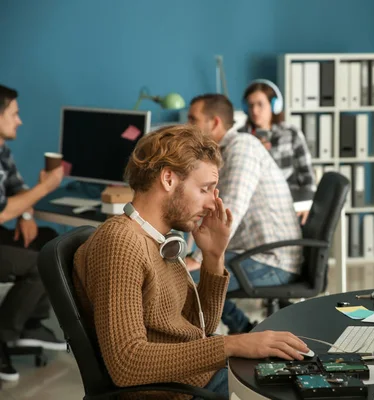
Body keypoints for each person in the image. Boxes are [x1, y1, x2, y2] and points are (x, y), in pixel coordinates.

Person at [72, 125, 309, 398]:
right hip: (180, 392)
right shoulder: (120, 243)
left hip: (198, 380)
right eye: (205, 189)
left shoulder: (162, 240)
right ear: (169, 179)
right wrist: (233, 345)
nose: (212, 203)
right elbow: (127, 363)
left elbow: (200, 329)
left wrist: (213, 256)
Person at [187, 94, 303, 334]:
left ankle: (199, 358)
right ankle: (244, 331)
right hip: (248, 253)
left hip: (271, 260)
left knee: (185, 283)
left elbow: (230, 211)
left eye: (193, 119)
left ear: (215, 123)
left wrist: (197, 259)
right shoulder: (221, 153)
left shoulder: (242, 148)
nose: (187, 126)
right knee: (183, 273)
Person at [0, 84, 66, 382]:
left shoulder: (2, 150)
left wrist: (27, 213)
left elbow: (16, 187)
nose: (20, 120)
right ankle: (4, 336)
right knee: (44, 264)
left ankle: (30, 323)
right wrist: (45, 188)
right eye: (14, 113)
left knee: (53, 242)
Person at [241, 79, 316, 225]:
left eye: (260, 104)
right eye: (250, 105)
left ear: (274, 105)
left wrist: (306, 204)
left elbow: (307, 175)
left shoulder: (290, 134)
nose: (255, 111)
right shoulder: (241, 138)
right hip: (254, 208)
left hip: (288, 206)